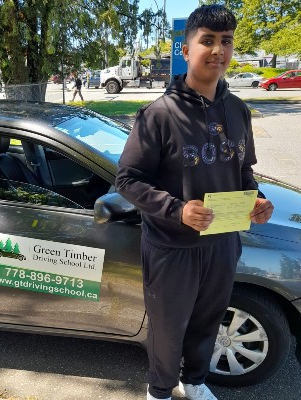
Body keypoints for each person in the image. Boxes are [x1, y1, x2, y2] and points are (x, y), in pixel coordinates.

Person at [115, 5, 274, 400]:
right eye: (207, 41)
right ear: (185, 51)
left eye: (226, 41)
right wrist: (177, 209)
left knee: (208, 321)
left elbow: (243, 172)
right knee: (168, 328)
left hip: (222, 243)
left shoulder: (238, 110)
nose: (218, 50)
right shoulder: (158, 115)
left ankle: (197, 381)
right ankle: (160, 390)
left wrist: (258, 200)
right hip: (173, 248)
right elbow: (127, 179)